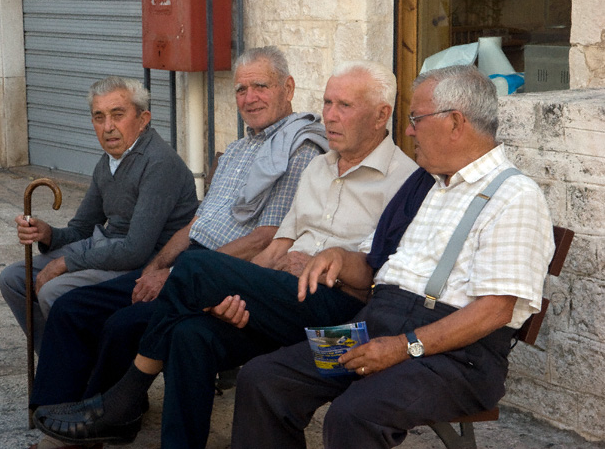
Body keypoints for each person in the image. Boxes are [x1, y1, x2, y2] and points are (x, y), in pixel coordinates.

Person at [32, 60, 419, 449]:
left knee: (196, 266)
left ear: (381, 114)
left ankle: (126, 395)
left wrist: (331, 264)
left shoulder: (404, 181)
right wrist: (237, 289)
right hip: (282, 293)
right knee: (190, 334)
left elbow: (383, 280)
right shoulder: (320, 167)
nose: (330, 116)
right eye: (327, 103)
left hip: (339, 311)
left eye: (344, 106)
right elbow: (279, 245)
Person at [230, 64, 556, 449]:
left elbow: (495, 310)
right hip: (376, 325)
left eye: (416, 118)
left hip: (455, 356)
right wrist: (337, 257)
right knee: (264, 379)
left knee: (355, 413)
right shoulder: (426, 185)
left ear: (455, 122)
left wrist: (404, 346)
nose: (408, 130)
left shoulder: (515, 196)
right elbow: (373, 264)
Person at [0, 76, 199, 353]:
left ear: (143, 119)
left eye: (118, 115)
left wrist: (64, 263)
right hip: (106, 248)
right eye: (99, 117)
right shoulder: (109, 161)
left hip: (143, 264)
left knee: (53, 291)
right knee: (13, 279)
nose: (108, 127)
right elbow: (80, 229)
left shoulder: (159, 163)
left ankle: (85, 376)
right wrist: (47, 234)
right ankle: (54, 363)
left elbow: (135, 251)